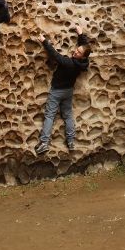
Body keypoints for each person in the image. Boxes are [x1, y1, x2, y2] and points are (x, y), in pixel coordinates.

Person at [34, 26, 91, 155]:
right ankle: (71, 142)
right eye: (77, 49)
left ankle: (44, 143)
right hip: (69, 91)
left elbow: (55, 55)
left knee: (49, 115)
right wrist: (80, 34)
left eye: (78, 52)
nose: (76, 52)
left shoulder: (68, 63)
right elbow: (86, 47)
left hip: (57, 91)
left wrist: (44, 41)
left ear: (82, 57)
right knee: (68, 115)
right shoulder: (84, 63)